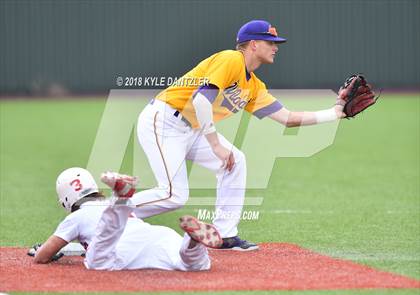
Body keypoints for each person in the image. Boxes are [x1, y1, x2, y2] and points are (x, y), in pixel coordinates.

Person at [128, 19, 351, 251]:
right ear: (253, 44)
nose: (276, 47)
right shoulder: (230, 59)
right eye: (270, 42)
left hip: (192, 128)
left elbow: (288, 118)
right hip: (164, 121)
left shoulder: (254, 85)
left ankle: (225, 235)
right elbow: (201, 101)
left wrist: (335, 113)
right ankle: (102, 214)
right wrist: (215, 144)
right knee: (174, 195)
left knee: (235, 161)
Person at [32, 167, 222, 271]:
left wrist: (42, 251)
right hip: (156, 236)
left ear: (65, 198)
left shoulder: (77, 216)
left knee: (97, 262)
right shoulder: (101, 204)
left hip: (119, 250)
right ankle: (192, 241)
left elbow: (42, 257)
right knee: (195, 265)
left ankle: (121, 201)